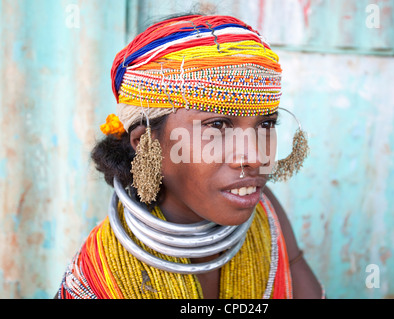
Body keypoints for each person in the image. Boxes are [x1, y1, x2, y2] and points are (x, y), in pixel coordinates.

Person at [56, 14, 323, 299]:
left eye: (266, 124)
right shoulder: (100, 280)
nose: (256, 157)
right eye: (218, 125)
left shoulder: (266, 212)